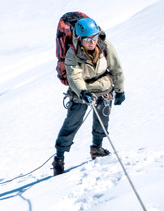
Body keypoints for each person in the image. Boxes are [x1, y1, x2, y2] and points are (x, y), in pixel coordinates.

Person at [53, 17, 125, 175]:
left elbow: (116, 68)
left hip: (104, 87)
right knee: (72, 122)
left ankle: (97, 148)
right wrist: (82, 91)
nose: (92, 42)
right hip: (82, 91)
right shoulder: (73, 53)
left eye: (94, 37)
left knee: (103, 118)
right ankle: (59, 158)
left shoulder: (105, 46)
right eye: (87, 39)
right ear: (79, 39)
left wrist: (120, 90)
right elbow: (74, 76)